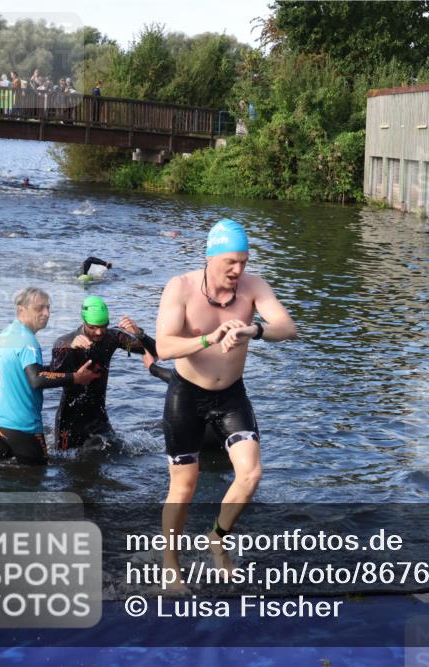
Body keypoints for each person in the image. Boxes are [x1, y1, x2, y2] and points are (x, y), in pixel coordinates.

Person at [155, 218, 296, 587]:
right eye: (230, 262)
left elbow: (288, 327)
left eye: (244, 262)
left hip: (231, 395)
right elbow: (165, 347)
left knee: (251, 474)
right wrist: (208, 339)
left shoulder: (253, 287)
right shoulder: (181, 287)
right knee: (184, 486)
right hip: (187, 395)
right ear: (210, 257)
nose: (238, 270)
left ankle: (217, 537)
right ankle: (171, 565)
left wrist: (254, 329)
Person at [0, 288, 99, 465]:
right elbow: (37, 379)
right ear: (21, 310)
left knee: (6, 480)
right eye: (39, 308)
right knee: (37, 481)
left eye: (48, 308)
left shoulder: (7, 333)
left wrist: (67, 352)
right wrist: (75, 378)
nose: (46, 313)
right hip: (21, 427)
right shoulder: (28, 341)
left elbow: (36, 372)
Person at [49, 296, 158, 451]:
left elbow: (154, 351)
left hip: (98, 417)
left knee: (112, 454)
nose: (99, 332)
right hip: (69, 419)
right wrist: (70, 352)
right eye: (93, 327)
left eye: (103, 326)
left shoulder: (112, 337)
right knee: (64, 463)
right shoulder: (65, 342)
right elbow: (53, 375)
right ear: (84, 321)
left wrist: (139, 333)